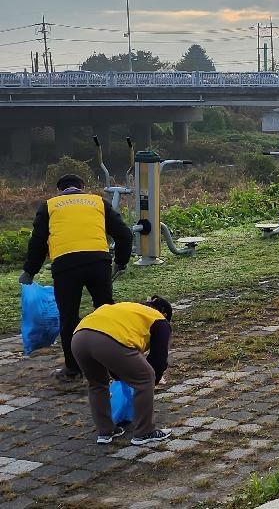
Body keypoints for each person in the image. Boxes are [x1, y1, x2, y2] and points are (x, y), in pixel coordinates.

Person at [20, 173, 133, 383]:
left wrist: (30, 271)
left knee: (69, 317)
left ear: (59, 190)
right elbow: (124, 234)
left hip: (66, 266)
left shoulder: (50, 206)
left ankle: (73, 369)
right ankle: (113, 365)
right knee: (105, 311)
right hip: (98, 262)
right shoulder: (98, 202)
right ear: (83, 187)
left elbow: (38, 242)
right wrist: (121, 261)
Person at [71, 296, 173, 445]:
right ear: (164, 313)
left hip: (79, 337)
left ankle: (105, 431)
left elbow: (117, 358)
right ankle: (144, 432)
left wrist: (122, 376)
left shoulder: (127, 307)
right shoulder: (160, 321)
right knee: (146, 377)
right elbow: (158, 360)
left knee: (97, 384)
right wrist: (152, 381)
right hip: (108, 340)